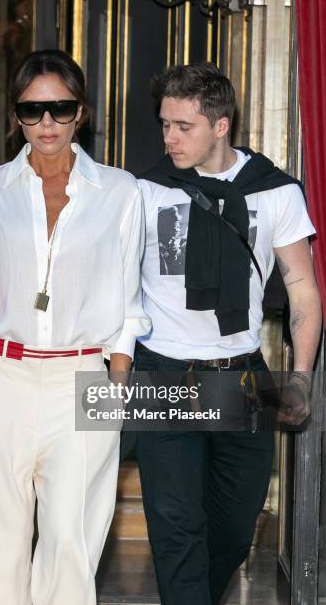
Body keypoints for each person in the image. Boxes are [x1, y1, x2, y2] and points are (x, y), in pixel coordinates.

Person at [0, 49, 150, 605]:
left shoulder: (120, 192)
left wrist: (115, 384)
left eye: (59, 107)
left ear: (81, 112)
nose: (46, 122)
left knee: (72, 545)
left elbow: (129, 300)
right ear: (16, 116)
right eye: (32, 110)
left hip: (84, 379)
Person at [130, 62, 322, 605]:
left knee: (237, 528)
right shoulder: (145, 190)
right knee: (176, 527)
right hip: (163, 373)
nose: (169, 138)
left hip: (241, 375)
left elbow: (303, 289)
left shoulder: (276, 192)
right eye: (164, 124)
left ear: (221, 124)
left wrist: (302, 378)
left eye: (182, 126)